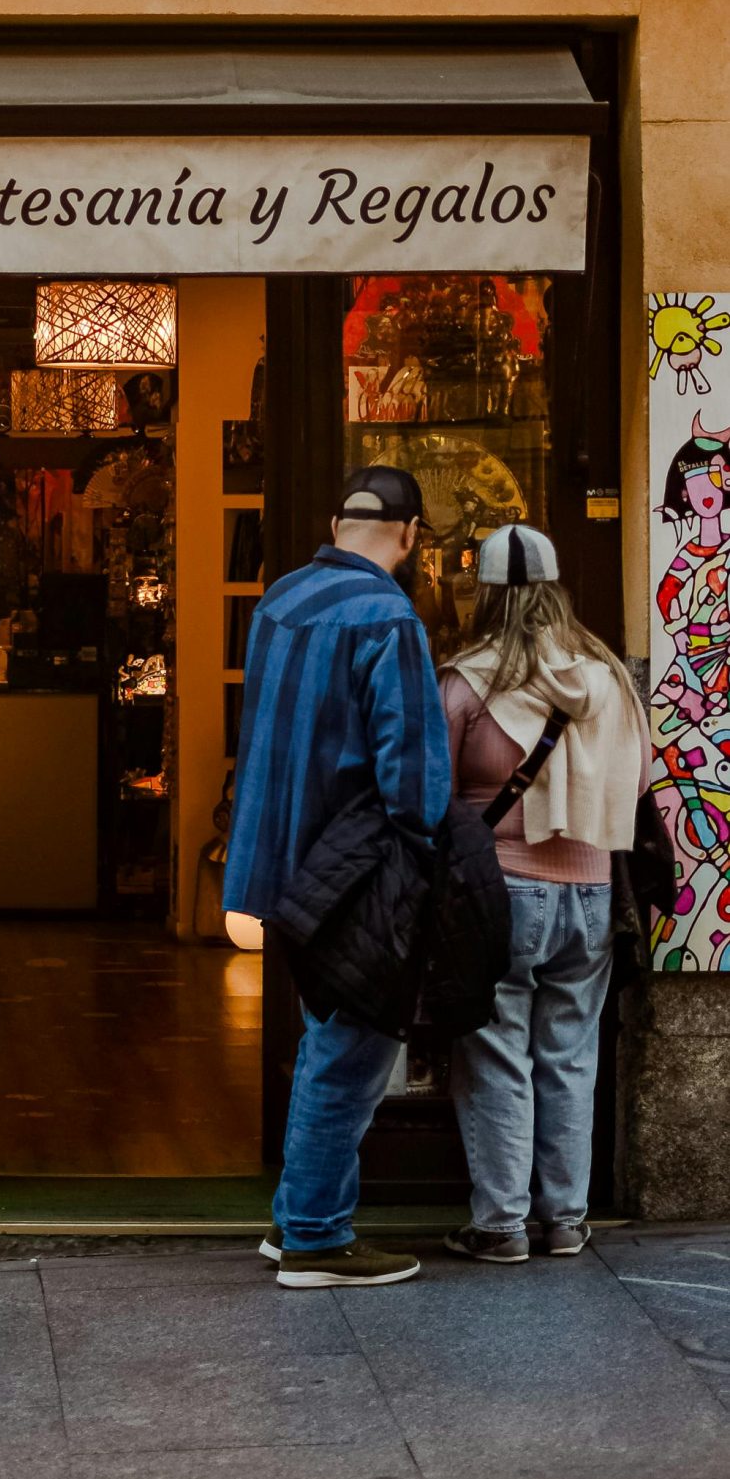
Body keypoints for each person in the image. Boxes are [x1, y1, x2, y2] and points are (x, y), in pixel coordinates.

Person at [226, 465, 450, 1288]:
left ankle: (297, 1220)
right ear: (412, 534)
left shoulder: (283, 596)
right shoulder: (387, 617)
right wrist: (424, 855)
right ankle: (316, 1236)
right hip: (352, 869)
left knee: (328, 1036)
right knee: (348, 1049)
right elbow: (414, 774)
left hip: (278, 858)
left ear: (335, 519)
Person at [440, 524, 646, 1261]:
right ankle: (564, 1219)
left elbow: (430, 785)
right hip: (590, 890)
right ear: (557, 590)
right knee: (570, 1055)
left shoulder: (469, 679)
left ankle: (499, 1225)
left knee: (496, 1054)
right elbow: (640, 781)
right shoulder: (607, 677)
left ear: (485, 595)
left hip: (499, 893)